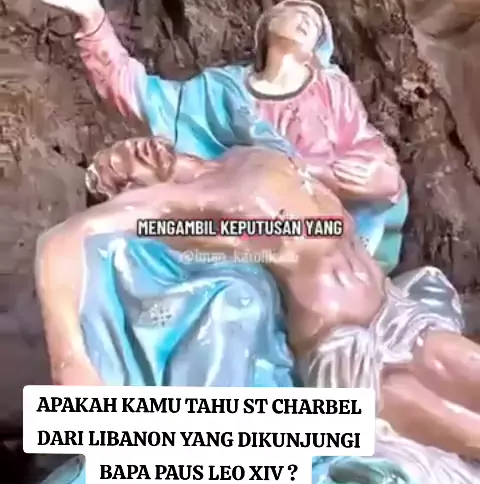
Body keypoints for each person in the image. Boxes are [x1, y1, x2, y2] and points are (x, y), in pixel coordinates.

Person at [39, 136, 480, 460]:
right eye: (116, 162)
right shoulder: (177, 206)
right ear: (128, 191)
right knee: (447, 421)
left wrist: (382, 183)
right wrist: (70, 360)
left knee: (463, 363)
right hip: (343, 347)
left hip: (394, 311)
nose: (129, 149)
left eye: (123, 144)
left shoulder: (248, 155)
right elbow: (62, 238)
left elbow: (351, 184)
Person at [31, 0, 408, 272]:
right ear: (267, 26)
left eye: (316, 24)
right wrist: (94, 20)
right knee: (145, 241)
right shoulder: (219, 90)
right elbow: (136, 90)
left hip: (316, 223)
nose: (308, 21)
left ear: (318, 51)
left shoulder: (330, 88)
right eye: (298, 13)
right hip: (239, 222)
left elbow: (370, 154)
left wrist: (376, 177)